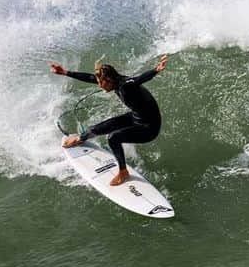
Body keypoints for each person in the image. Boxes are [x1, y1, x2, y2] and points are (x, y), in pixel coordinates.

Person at [49, 54, 169, 186]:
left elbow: (138, 80)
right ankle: (80, 138)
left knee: (113, 138)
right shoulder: (112, 81)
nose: (100, 85)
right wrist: (65, 72)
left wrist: (155, 70)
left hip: (149, 128)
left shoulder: (125, 85)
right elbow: (90, 77)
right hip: (137, 117)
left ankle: (123, 172)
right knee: (98, 128)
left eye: (101, 82)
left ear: (109, 80)